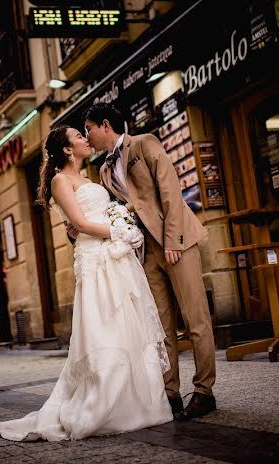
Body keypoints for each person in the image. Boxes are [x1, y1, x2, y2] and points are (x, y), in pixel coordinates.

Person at [0, 127, 171, 442]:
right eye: (79, 136)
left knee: (126, 323)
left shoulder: (90, 178)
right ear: (66, 149)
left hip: (115, 257)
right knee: (104, 324)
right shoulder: (61, 181)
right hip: (95, 258)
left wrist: (123, 220)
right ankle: (101, 405)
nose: (85, 139)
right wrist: (119, 232)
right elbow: (79, 224)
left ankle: (138, 402)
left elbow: (96, 217)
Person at [82, 103, 217, 420]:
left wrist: (173, 239)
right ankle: (170, 395)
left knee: (195, 319)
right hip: (145, 254)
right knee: (161, 328)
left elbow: (170, 189)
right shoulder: (103, 171)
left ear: (104, 125)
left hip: (175, 242)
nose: (87, 137)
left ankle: (204, 392)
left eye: (88, 129)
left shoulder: (144, 143)